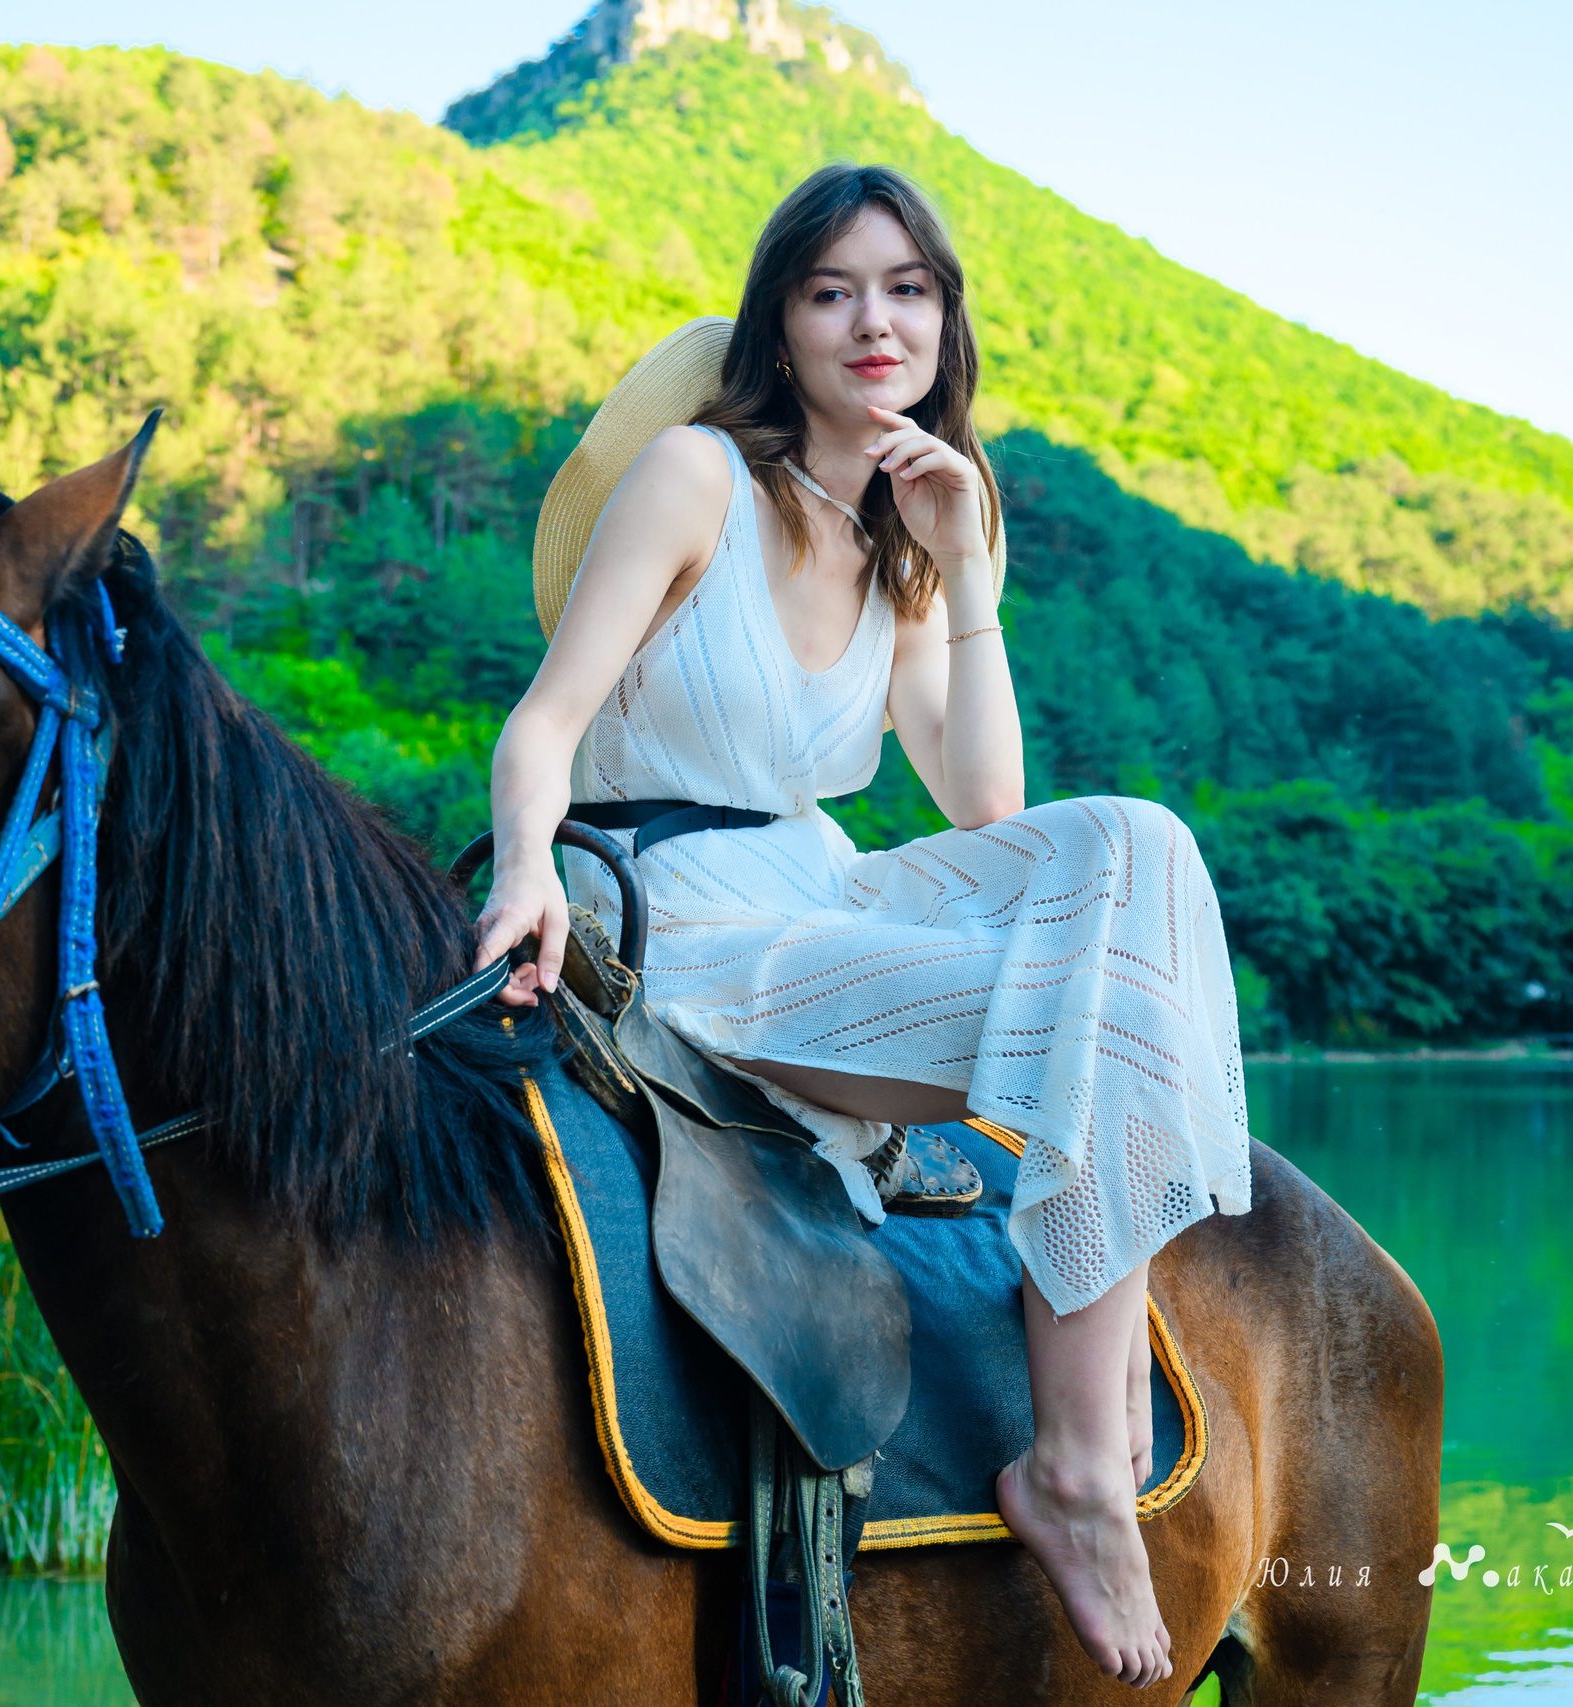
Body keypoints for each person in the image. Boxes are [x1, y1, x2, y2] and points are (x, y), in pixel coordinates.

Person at [471, 163, 1254, 1691]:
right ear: (782, 324)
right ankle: (1085, 1469)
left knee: (1137, 842)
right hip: (682, 913)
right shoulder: (699, 476)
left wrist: (962, 562)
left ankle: (1077, 1458)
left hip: (822, 889)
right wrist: (525, 869)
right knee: (1092, 1020)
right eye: (831, 290)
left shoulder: (904, 532)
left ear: (944, 320)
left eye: (906, 289)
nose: (871, 320)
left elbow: (984, 801)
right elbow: (544, 724)